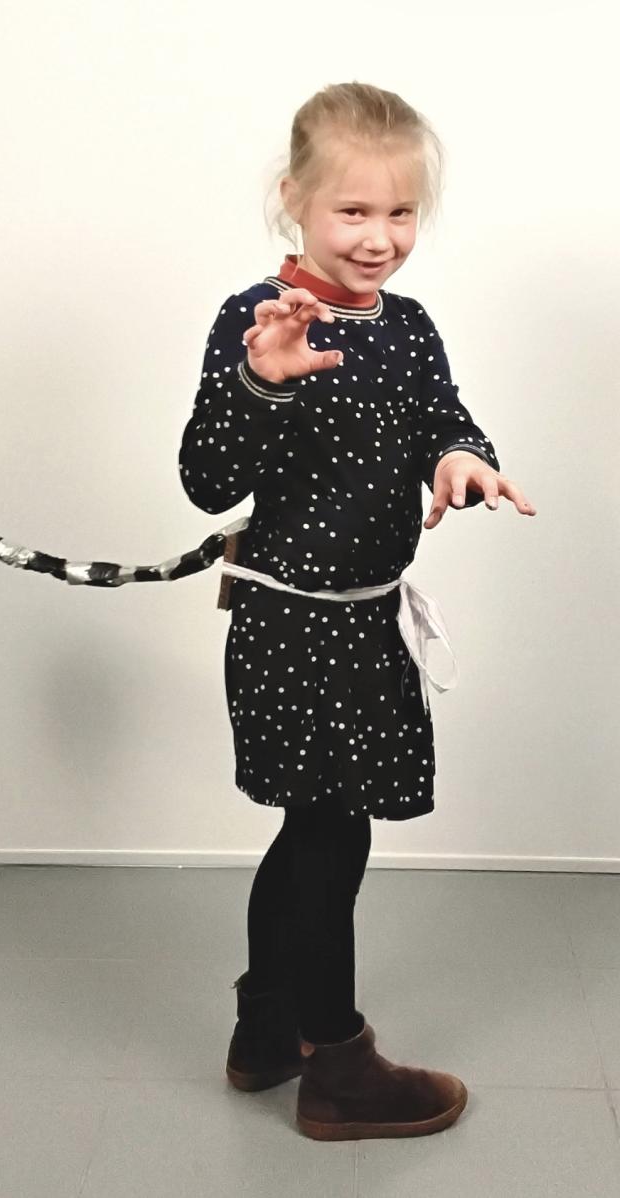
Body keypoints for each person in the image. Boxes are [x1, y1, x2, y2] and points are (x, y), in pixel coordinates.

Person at [178, 81, 536, 1142]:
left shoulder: (408, 325)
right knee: (331, 839)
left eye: (399, 212)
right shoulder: (256, 320)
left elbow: (438, 415)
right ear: (293, 198)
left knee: (313, 832)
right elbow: (206, 478)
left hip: (368, 623)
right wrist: (263, 382)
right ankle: (337, 1063)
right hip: (291, 625)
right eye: (352, 211)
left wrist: (460, 455)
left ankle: (263, 1034)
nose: (379, 238)